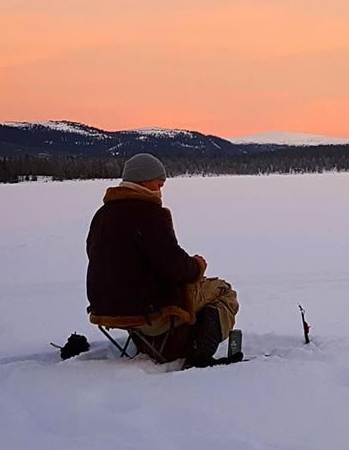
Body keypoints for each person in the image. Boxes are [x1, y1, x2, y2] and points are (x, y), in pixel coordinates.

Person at [85, 153, 239, 367]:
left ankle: (161, 343)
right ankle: (199, 355)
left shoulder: (102, 215)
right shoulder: (148, 214)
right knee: (223, 291)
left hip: (110, 309)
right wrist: (197, 266)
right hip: (149, 311)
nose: (161, 189)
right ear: (143, 180)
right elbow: (175, 266)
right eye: (159, 183)